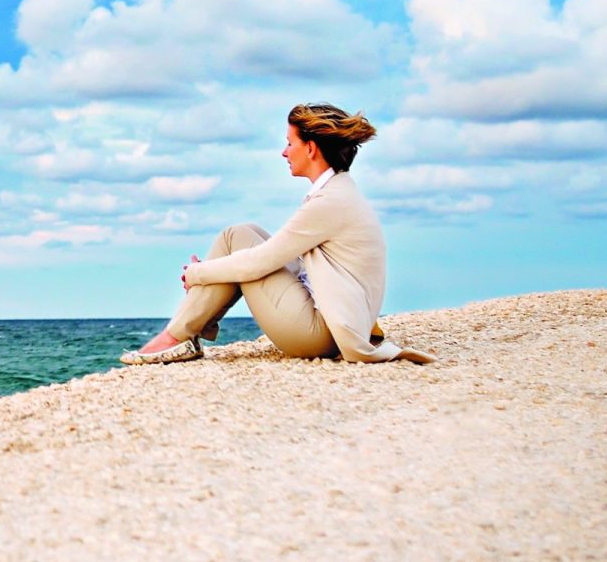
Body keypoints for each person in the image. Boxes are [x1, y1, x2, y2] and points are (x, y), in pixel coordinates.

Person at [120, 103, 433, 366]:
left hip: (320, 335)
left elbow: (259, 263)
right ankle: (184, 332)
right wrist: (209, 275)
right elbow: (288, 259)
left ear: (310, 149)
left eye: (289, 143)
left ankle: (177, 336)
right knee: (242, 234)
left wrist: (198, 273)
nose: (284, 152)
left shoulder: (330, 202)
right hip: (335, 322)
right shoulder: (339, 192)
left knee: (238, 244)